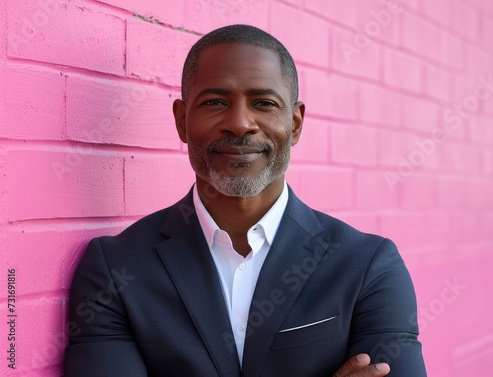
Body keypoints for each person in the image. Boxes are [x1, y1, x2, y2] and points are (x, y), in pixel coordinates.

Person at [64, 24, 426, 376]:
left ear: (295, 123)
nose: (240, 123)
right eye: (216, 101)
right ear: (182, 120)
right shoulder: (115, 268)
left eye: (264, 103)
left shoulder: (368, 266)